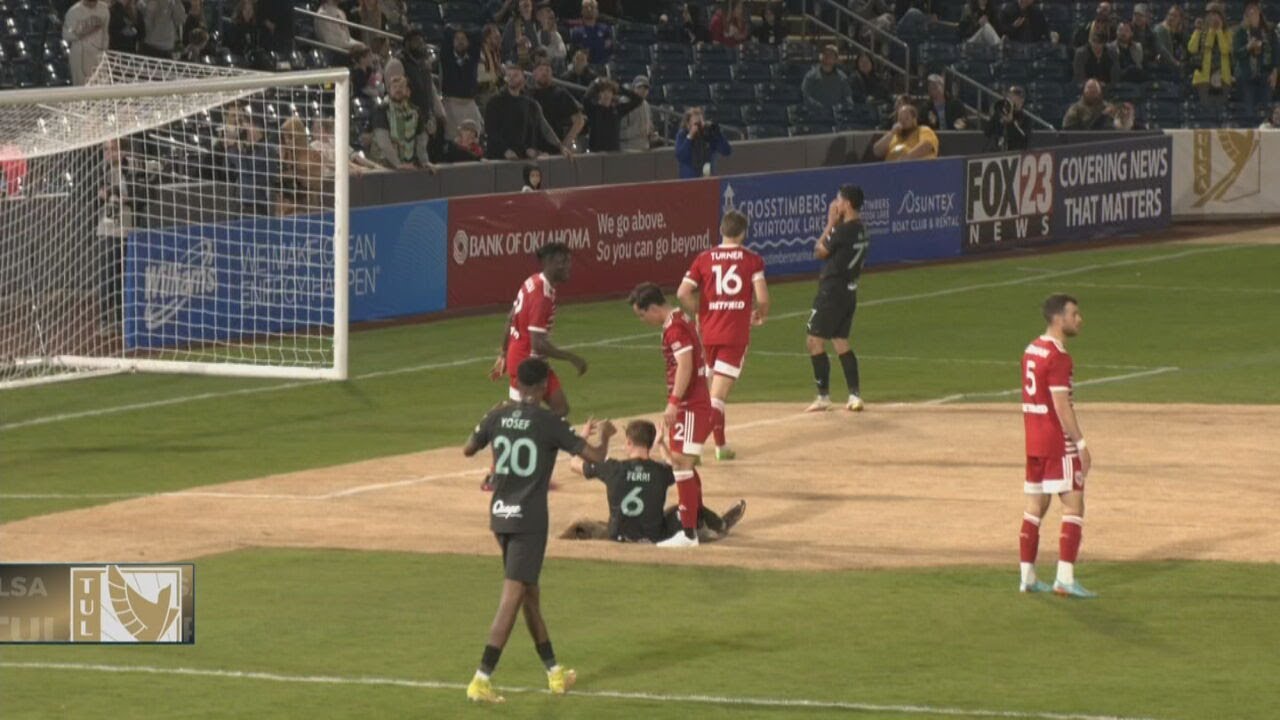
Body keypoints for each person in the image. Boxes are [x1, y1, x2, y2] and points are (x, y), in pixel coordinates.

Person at [462, 357, 614, 704]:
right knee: (512, 598)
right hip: (529, 520)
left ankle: (554, 673)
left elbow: (468, 449)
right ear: (545, 386)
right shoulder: (549, 422)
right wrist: (604, 435)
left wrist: (488, 420)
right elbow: (597, 458)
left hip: (500, 514)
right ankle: (481, 678)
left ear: (517, 384)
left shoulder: (497, 414)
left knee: (530, 595)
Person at [1018, 294, 1095, 598]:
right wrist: (1081, 444)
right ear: (1058, 319)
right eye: (1074, 314)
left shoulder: (1031, 349)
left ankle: (1027, 576)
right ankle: (1064, 577)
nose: (1079, 319)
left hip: (1033, 439)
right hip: (1056, 441)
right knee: (1074, 504)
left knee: (1035, 506)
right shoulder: (1058, 357)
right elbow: (1062, 407)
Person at [676, 210, 769, 461]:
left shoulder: (704, 258)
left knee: (707, 394)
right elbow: (762, 298)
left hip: (706, 334)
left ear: (721, 231)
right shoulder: (752, 260)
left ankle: (721, 446)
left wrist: (700, 310)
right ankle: (692, 449)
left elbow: (682, 292)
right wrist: (760, 313)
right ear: (743, 233)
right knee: (717, 397)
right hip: (733, 335)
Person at [627, 282, 713, 547]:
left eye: (642, 315)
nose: (643, 321)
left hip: (689, 405)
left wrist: (674, 403)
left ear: (653, 308)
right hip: (693, 402)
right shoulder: (679, 319)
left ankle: (688, 533)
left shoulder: (674, 328)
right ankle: (697, 521)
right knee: (683, 461)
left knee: (680, 463)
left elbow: (685, 365)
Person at [565, 420, 747, 543]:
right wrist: (663, 446)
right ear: (651, 444)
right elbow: (685, 469)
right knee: (687, 507)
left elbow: (574, 463)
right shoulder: (661, 471)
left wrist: (585, 436)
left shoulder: (612, 468)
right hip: (655, 536)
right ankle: (719, 525)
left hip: (618, 535)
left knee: (606, 521)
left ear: (628, 442)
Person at [489, 242, 588, 419]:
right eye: (563, 262)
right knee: (528, 414)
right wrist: (572, 358)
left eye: (568, 261)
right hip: (527, 363)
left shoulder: (532, 281)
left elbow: (510, 317)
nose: (568, 266)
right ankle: (495, 418)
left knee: (551, 410)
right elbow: (538, 343)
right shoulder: (542, 296)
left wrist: (504, 352)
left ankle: (503, 416)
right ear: (548, 262)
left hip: (522, 357)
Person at [803, 184, 869, 413]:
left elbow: (819, 251)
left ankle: (823, 396)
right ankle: (854, 395)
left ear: (848, 204)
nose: (836, 204)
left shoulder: (842, 231)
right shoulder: (860, 229)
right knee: (840, 342)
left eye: (839, 200)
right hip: (849, 292)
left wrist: (830, 222)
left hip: (831, 292)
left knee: (814, 341)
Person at [484, 65, 564, 160]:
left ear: (523, 79)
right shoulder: (494, 102)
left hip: (523, 157)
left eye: (515, 75)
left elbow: (545, 128)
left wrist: (560, 146)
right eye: (509, 75)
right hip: (499, 158)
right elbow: (491, 131)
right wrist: (504, 150)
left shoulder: (531, 105)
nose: (511, 78)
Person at [385, 28, 446, 137]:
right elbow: (394, 93)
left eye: (421, 41)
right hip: (406, 121)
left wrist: (440, 113)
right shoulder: (397, 63)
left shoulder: (423, 64)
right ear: (407, 44)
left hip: (426, 119)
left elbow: (430, 90)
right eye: (416, 41)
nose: (420, 45)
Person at [370, 75, 433, 170]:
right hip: (383, 164)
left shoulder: (415, 112)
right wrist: (398, 164)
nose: (397, 90)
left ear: (408, 91)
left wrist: (424, 161)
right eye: (394, 87)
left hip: (408, 164)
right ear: (389, 91)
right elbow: (383, 142)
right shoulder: (381, 110)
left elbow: (421, 139)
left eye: (401, 87)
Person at [529, 57, 585, 153]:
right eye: (541, 70)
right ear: (534, 73)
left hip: (554, 149)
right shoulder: (528, 95)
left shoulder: (560, 94)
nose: (544, 73)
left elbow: (579, 120)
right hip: (532, 150)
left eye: (547, 70)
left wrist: (565, 143)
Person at [1233, 1, 1276, 121]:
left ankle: (1267, 130)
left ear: (1259, 12)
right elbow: (1236, 54)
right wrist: (1248, 47)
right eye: (1249, 11)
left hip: (1265, 73)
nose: (1252, 12)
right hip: (1246, 74)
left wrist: (1275, 72)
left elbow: (1276, 53)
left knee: (1267, 106)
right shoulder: (1240, 32)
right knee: (1249, 109)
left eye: (1254, 9)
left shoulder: (1269, 30)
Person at [581, 78, 643, 153]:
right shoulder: (593, 109)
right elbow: (585, 99)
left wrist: (620, 88)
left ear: (613, 94)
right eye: (603, 91)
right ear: (599, 94)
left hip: (614, 153)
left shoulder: (617, 109)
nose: (606, 94)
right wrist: (595, 84)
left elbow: (638, 100)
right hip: (596, 153)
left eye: (609, 91)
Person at [441, 27, 484, 135]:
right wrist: (458, 29)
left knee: (475, 135)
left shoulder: (473, 58)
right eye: (457, 39)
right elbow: (446, 32)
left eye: (463, 39)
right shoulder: (446, 57)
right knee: (452, 137)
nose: (460, 42)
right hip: (451, 102)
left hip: (469, 102)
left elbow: (478, 35)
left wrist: (464, 28)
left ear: (469, 43)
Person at [1189, 6, 1233, 106]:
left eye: (1216, 16)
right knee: (1206, 110)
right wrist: (1197, 31)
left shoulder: (1227, 33)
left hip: (1223, 79)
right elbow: (1192, 48)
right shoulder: (1201, 31)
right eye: (1211, 16)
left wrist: (1219, 31)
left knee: (1220, 109)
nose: (1213, 19)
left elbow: (1225, 50)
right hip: (1203, 79)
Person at [675, 107, 732, 178]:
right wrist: (690, 137)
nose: (699, 126)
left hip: (708, 179)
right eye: (696, 123)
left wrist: (718, 134)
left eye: (700, 123)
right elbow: (681, 157)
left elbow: (726, 151)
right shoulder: (683, 135)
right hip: (689, 180)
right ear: (688, 124)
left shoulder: (708, 135)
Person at [64, 0, 110, 85]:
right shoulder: (73, 12)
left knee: (103, 85)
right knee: (82, 86)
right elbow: (66, 35)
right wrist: (86, 31)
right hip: (80, 55)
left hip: (98, 53)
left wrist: (105, 49)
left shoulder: (103, 9)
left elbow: (105, 33)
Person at [872, 104, 938, 161]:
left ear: (914, 120)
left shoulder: (923, 130)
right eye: (900, 119)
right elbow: (877, 151)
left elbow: (927, 145)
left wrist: (905, 160)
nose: (903, 122)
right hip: (891, 171)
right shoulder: (893, 135)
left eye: (906, 118)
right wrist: (892, 133)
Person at [802, 45, 854, 112]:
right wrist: (820, 108)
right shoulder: (811, 75)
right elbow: (806, 96)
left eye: (831, 55)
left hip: (837, 116)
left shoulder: (842, 77)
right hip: (815, 116)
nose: (827, 56)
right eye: (825, 54)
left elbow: (848, 97)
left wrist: (840, 107)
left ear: (836, 59)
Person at [618, 75, 658, 151]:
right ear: (633, 88)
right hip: (628, 148)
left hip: (644, 147)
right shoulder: (624, 103)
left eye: (645, 88)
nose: (643, 91)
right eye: (639, 87)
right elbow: (619, 133)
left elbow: (649, 127)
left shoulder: (646, 104)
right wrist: (639, 131)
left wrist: (650, 134)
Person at [986, 85, 1032, 150]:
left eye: (1015, 97)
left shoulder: (1025, 118)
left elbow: (1024, 140)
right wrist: (997, 116)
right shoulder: (1001, 113)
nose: (1011, 100)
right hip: (998, 152)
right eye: (1009, 97)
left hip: (1015, 153)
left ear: (1022, 100)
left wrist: (1011, 122)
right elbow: (987, 131)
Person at [570, 0, 613, 64]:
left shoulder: (605, 29)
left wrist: (590, 48)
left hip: (603, 66)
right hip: (585, 67)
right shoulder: (576, 31)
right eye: (586, 7)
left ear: (597, 11)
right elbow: (576, 52)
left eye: (592, 7)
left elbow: (609, 49)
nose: (589, 9)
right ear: (582, 11)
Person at [476, 24, 506, 111]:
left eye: (499, 37)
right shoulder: (480, 53)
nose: (499, 40)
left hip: (493, 90)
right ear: (487, 39)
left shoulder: (495, 52)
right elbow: (480, 78)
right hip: (482, 93)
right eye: (496, 37)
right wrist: (498, 74)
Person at [501, 0, 539, 66]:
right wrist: (517, 42)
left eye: (528, 6)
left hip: (532, 61)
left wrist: (528, 22)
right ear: (519, 8)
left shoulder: (536, 23)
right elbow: (505, 45)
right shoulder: (512, 22)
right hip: (514, 59)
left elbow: (536, 46)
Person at [1153, 4, 1188, 71]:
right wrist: (1176, 63)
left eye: (1175, 16)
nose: (1171, 17)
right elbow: (1163, 52)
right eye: (1170, 14)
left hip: (1177, 67)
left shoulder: (1179, 33)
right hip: (1164, 68)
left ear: (1180, 19)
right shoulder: (1160, 30)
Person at [537, 4, 567, 71]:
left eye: (552, 18)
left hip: (555, 67)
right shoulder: (537, 35)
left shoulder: (557, 35)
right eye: (547, 18)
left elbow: (563, 53)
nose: (550, 21)